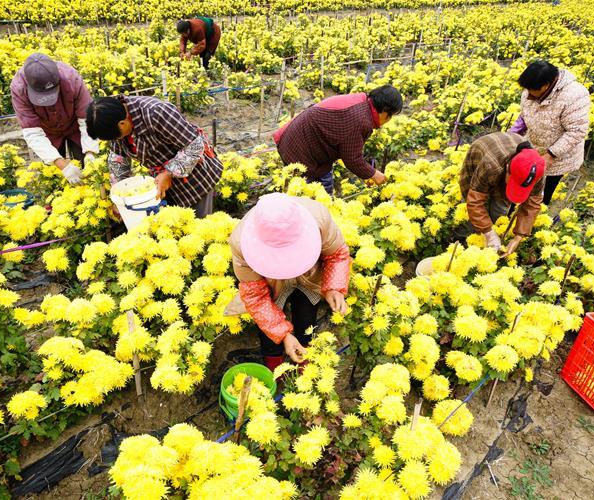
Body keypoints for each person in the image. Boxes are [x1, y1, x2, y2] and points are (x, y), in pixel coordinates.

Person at [225, 193, 351, 369]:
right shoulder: (241, 242)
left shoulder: (319, 217)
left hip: (309, 277)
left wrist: (334, 287)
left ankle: (304, 359)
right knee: (269, 329)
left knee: (306, 317)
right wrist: (283, 335)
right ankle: (275, 367)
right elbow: (256, 297)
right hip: (271, 284)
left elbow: (337, 254)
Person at [85, 95, 222, 216]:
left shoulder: (156, 112)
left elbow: (195, 145)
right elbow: (118, 161)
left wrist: (169, 173)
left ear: (122, 123)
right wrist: (120, 198)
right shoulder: (113, 121)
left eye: (118, 136)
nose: (117, 140)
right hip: (161, 181)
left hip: (195, 178)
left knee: (198, 225)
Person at [273, 85, 402, 194]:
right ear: (385, 111)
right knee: (308, 197)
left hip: (305, 143)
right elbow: (352, 159)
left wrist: (367, 172)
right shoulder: (361, 120)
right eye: (391, 116)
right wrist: (374, 174)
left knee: (323, 187)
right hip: (299, 149)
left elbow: (348, 145)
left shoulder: (363, 103)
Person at [10, 53, 100, 185]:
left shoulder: (71, 79)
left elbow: (87, 119)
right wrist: (61, 164)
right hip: (47, 132)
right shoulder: (19, 88)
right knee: (55, 176)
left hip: (75, 126)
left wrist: (90, 152)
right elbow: (32, 132)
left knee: (87, 169)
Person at [509, 60, 590, 205]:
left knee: (544, 192)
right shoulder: (531, 89)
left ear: (546, 85)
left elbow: (576, 131)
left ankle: (538, 217)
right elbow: (524, 115)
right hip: (535, 146)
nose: (528, 94)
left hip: (561, 155)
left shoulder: (575, 95)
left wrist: (551, 154)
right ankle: (513, 212)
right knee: (523, 182)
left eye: (531, 90)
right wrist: (510, 134)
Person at [459, 132, 546, 256]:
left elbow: (532, 205)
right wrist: (489, 233)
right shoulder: (491, 165)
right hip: (482, 150)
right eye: (513, 184)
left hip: (509, 149)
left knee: (500, 209)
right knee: (468, 211)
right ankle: (462, 238)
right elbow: (475, 201)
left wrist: (518, 237)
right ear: (506, 168)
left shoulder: (537, 171)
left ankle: (492, 241)